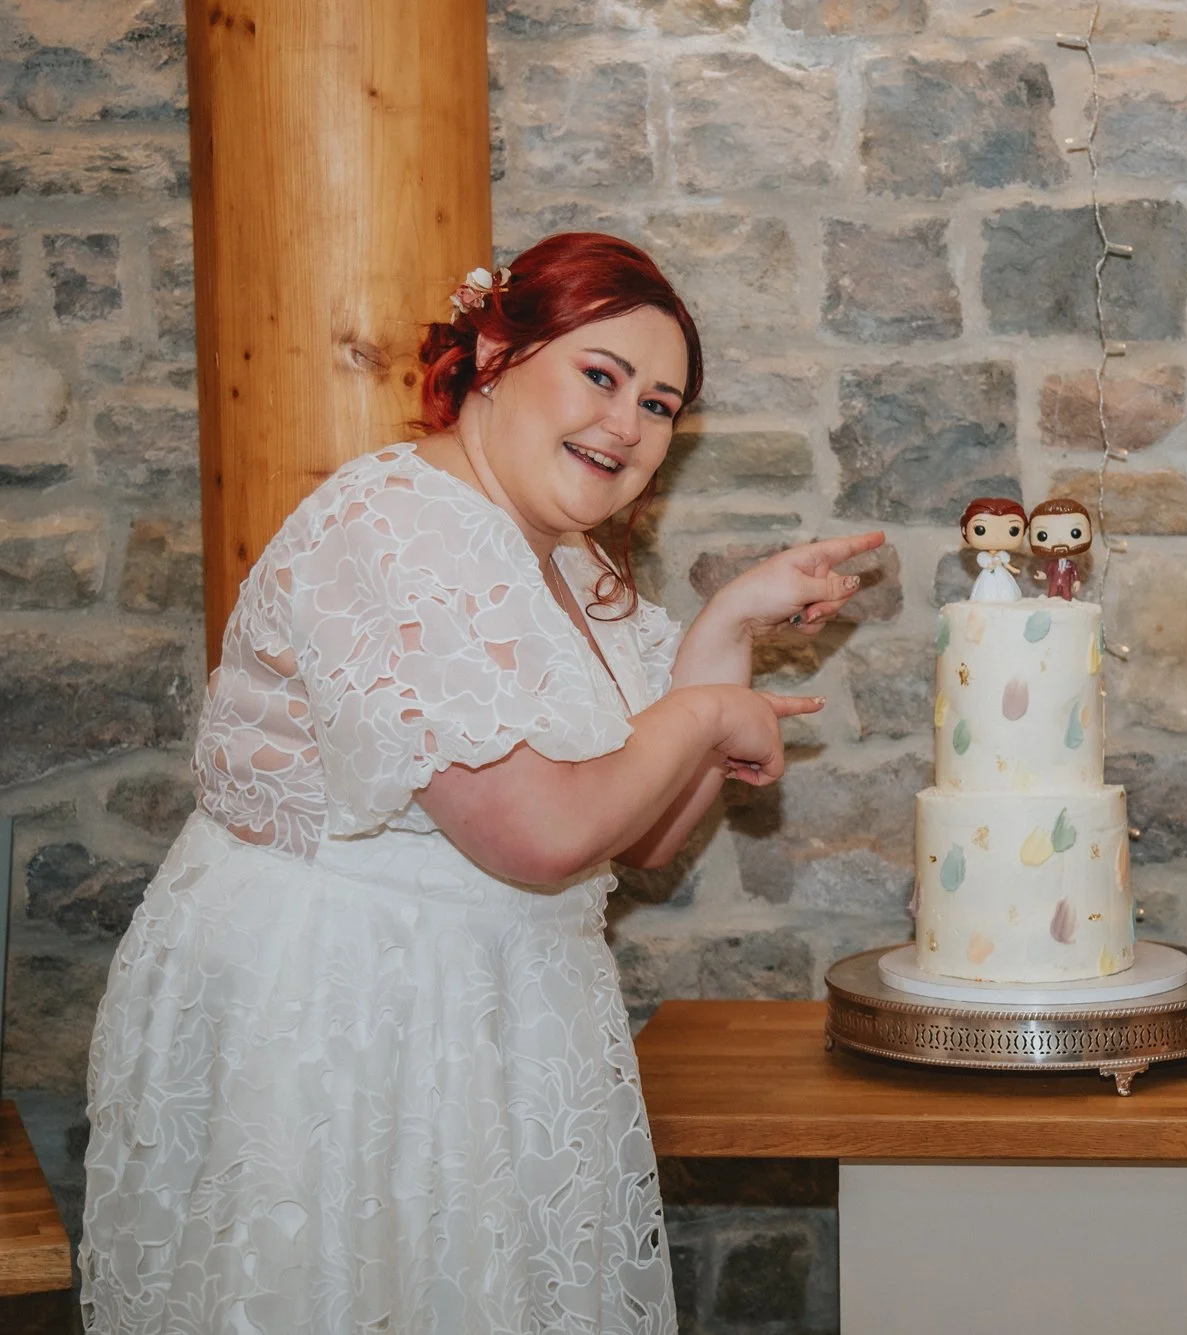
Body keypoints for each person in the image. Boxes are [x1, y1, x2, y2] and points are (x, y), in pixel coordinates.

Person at [79, 232, 883, 1335]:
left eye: (658, 406)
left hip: (499, 1008)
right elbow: (544, 835)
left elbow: (640, 838)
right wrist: (704, 714)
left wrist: (730, 624)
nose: (625, 424)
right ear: (498, 348)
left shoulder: (568, 560)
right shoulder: (396, 525)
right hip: (343, 1011)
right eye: (599, 376)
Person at [962, 496, 1028, 602]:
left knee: (1007, 591)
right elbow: (985, 563)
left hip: (1001, 573)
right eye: (980, 530)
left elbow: (1006, 564)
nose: (997, 537)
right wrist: (990, 564)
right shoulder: (983, 556)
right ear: (965, 531)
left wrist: (1013, 569)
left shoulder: (1002, 554)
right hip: (988, 575)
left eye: (1013, 530)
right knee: (986, 592)